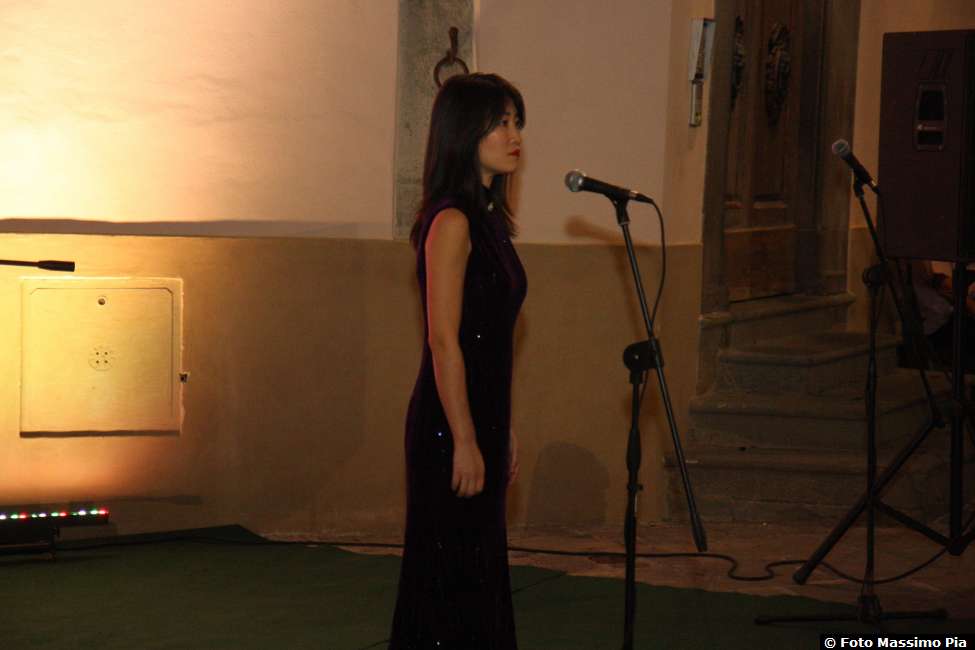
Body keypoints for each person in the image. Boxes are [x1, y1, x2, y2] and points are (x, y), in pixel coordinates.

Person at [389, 73, 526, 649]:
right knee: (449, 582)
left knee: (479, 575)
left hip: (479, 418)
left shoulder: (490, 220)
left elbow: (490, 343)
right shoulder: (452, 222)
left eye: (516, 122)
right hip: (448, 428)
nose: (515, 136)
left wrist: (501, 426)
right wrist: (466, 439)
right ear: (465, 133)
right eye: (501, 123)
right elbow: (444, 342)